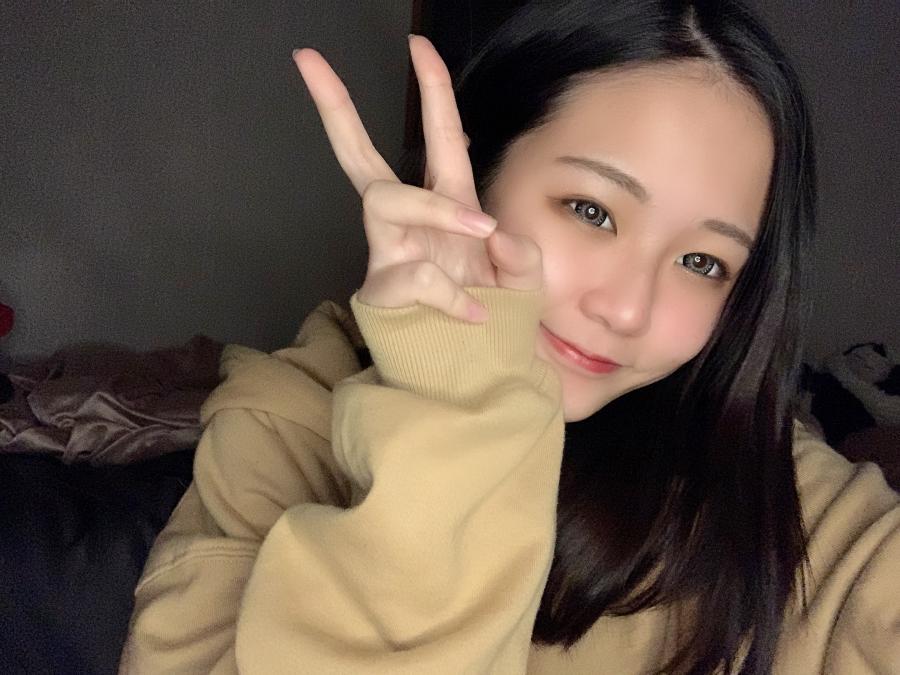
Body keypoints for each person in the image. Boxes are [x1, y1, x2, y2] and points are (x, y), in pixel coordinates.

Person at [119, 1, 899, 673]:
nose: (627, 309)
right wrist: (458, 403)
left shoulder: (776, 493)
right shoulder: (280, 425)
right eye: (592, 211)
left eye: (703, 262)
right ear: (479, 170)